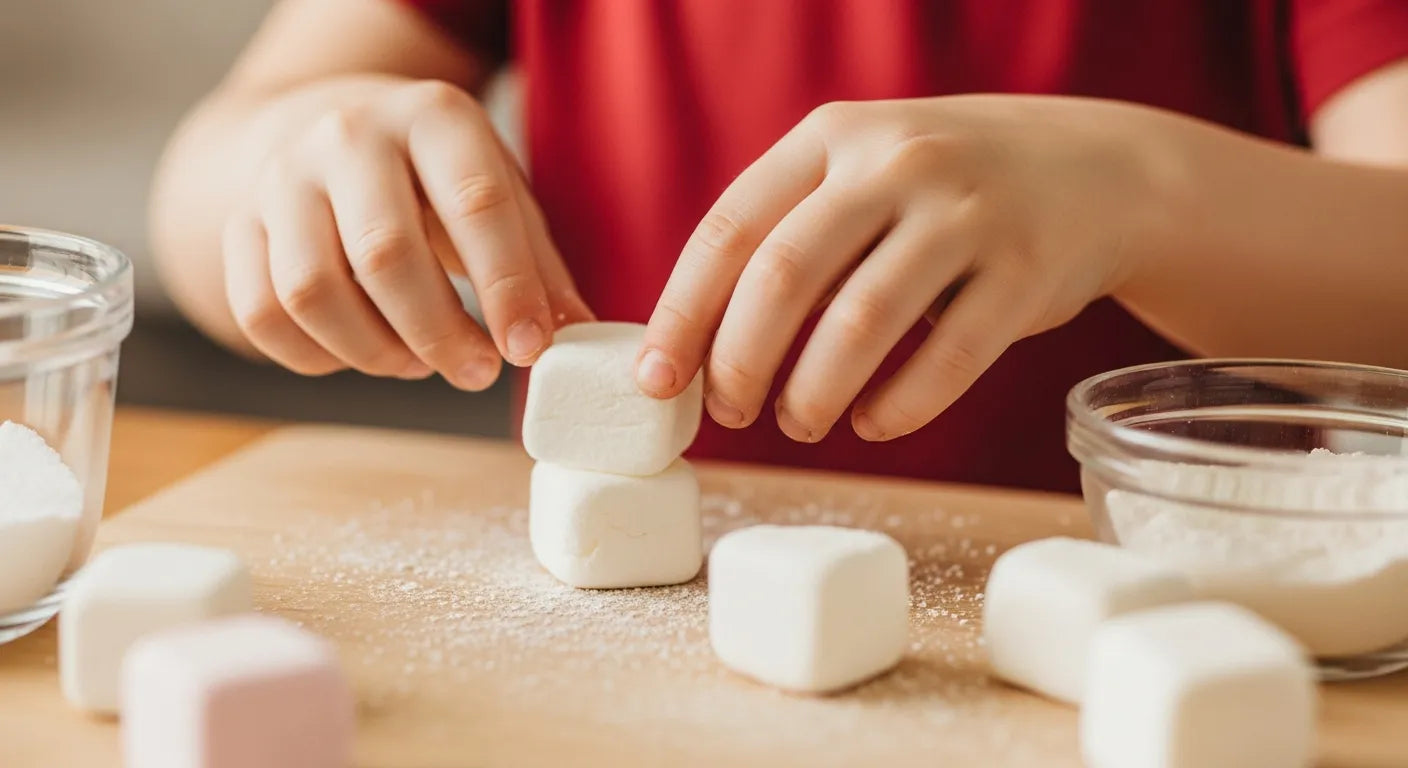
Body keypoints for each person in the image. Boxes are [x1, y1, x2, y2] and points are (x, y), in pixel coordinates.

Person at [150, 0, 1408, 493]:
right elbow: (201, 184)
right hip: (638, 624)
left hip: (1157, 607)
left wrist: (1141, 192)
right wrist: (286, 164)